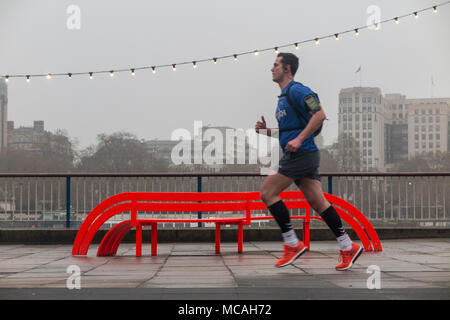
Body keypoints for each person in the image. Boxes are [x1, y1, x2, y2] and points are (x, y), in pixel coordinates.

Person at [255, 52, 363, 271]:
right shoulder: (284, 97)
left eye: (275, 65)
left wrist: (300, 139)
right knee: (318, 202)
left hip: (301, 154)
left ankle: (292, 244)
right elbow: (290, 132)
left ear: (287, 69)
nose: (271, 68)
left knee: (267, 193)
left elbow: (320, 115)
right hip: (302, 154)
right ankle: (347, 246)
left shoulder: (298, 90)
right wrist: (268, 133)